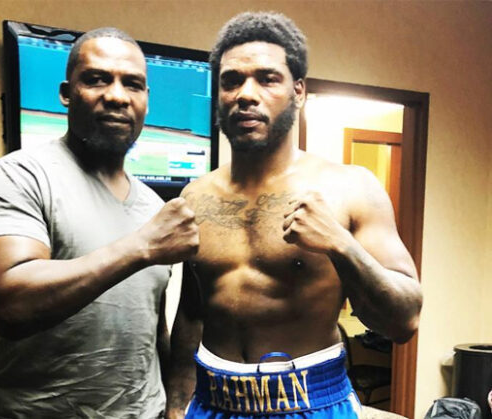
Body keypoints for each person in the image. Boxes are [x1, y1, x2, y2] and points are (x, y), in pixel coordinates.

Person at [165, 12, 423, 419]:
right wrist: (177, 404)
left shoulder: (351, 187)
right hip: (211, 402)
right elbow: (192, 313)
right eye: (231, 80)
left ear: (298, 91)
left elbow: (404, 320)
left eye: (267, 78)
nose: (246, 94)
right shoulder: (195, 197)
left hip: (311, 401)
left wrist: (341, 244)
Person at [0, 27, 199, 418]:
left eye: (133, 84)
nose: (116, 95)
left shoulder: (150, 207)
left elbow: (148, 325)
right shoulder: (20, 176)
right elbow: (9, 304)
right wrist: (142, 247)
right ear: (66, 93)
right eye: (96, 79)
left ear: (145, 101)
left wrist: (174, 407)